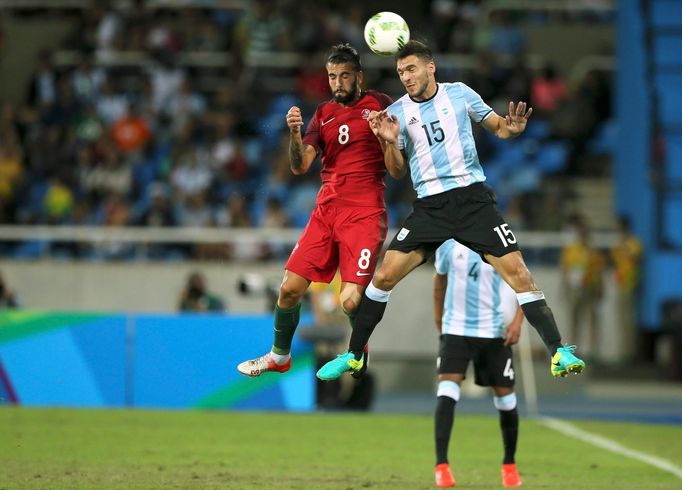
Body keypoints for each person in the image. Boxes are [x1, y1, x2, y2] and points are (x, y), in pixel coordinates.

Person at [317, 40, 585, 381]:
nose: (407, 78)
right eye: (401, 73)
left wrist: (512, 129)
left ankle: (558, 351)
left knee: (519, 273)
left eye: (412, 69)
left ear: (431, 67)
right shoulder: (396, 112)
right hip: (430, 207)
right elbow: (397, 170)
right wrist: (387, 140)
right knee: (383, 276)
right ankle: (354, 355)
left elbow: (500, 127)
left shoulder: (460, 93)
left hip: (472, 201)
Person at [236, 44, 399, 377]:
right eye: (332, 76)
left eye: (344, 76)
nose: (338, 82)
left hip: (364, 214)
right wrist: (295, 134)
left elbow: (398, 168)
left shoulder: (380, 104)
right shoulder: (323, 114)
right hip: (326, 212)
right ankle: (279, 356)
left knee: (350, 300)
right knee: (289, 288)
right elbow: (300, 165)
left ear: (359, 77)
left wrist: (387, 139)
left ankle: (358, 353)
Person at [432, 240, 523, 488]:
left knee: (506, 398)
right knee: (447, 389)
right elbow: (439, 281)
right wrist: (438, 318)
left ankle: (509, 465)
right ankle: (442, 466)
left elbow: (523, 282)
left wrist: (517, 322)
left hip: (493, 332)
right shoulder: (447, 245)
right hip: (456, 330)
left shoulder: (497, 241)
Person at [560, 217, 606, 359]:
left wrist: (601, 288)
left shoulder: (593, 252)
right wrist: (564, 289)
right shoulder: (571, 250)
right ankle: (574, 348)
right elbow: (565, 271)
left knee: (593, 320)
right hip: (576, 290)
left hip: (590, 288)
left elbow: (599, 272)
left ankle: (593, 350)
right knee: (575, 320)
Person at [610, 216, 643, 361]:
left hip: (629, 284)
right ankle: (624, 351)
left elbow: (635, 260)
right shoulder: (619, 244)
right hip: (621, 283)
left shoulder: (633, 244)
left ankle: (629, 352)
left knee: (627, 319)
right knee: (622, 319)